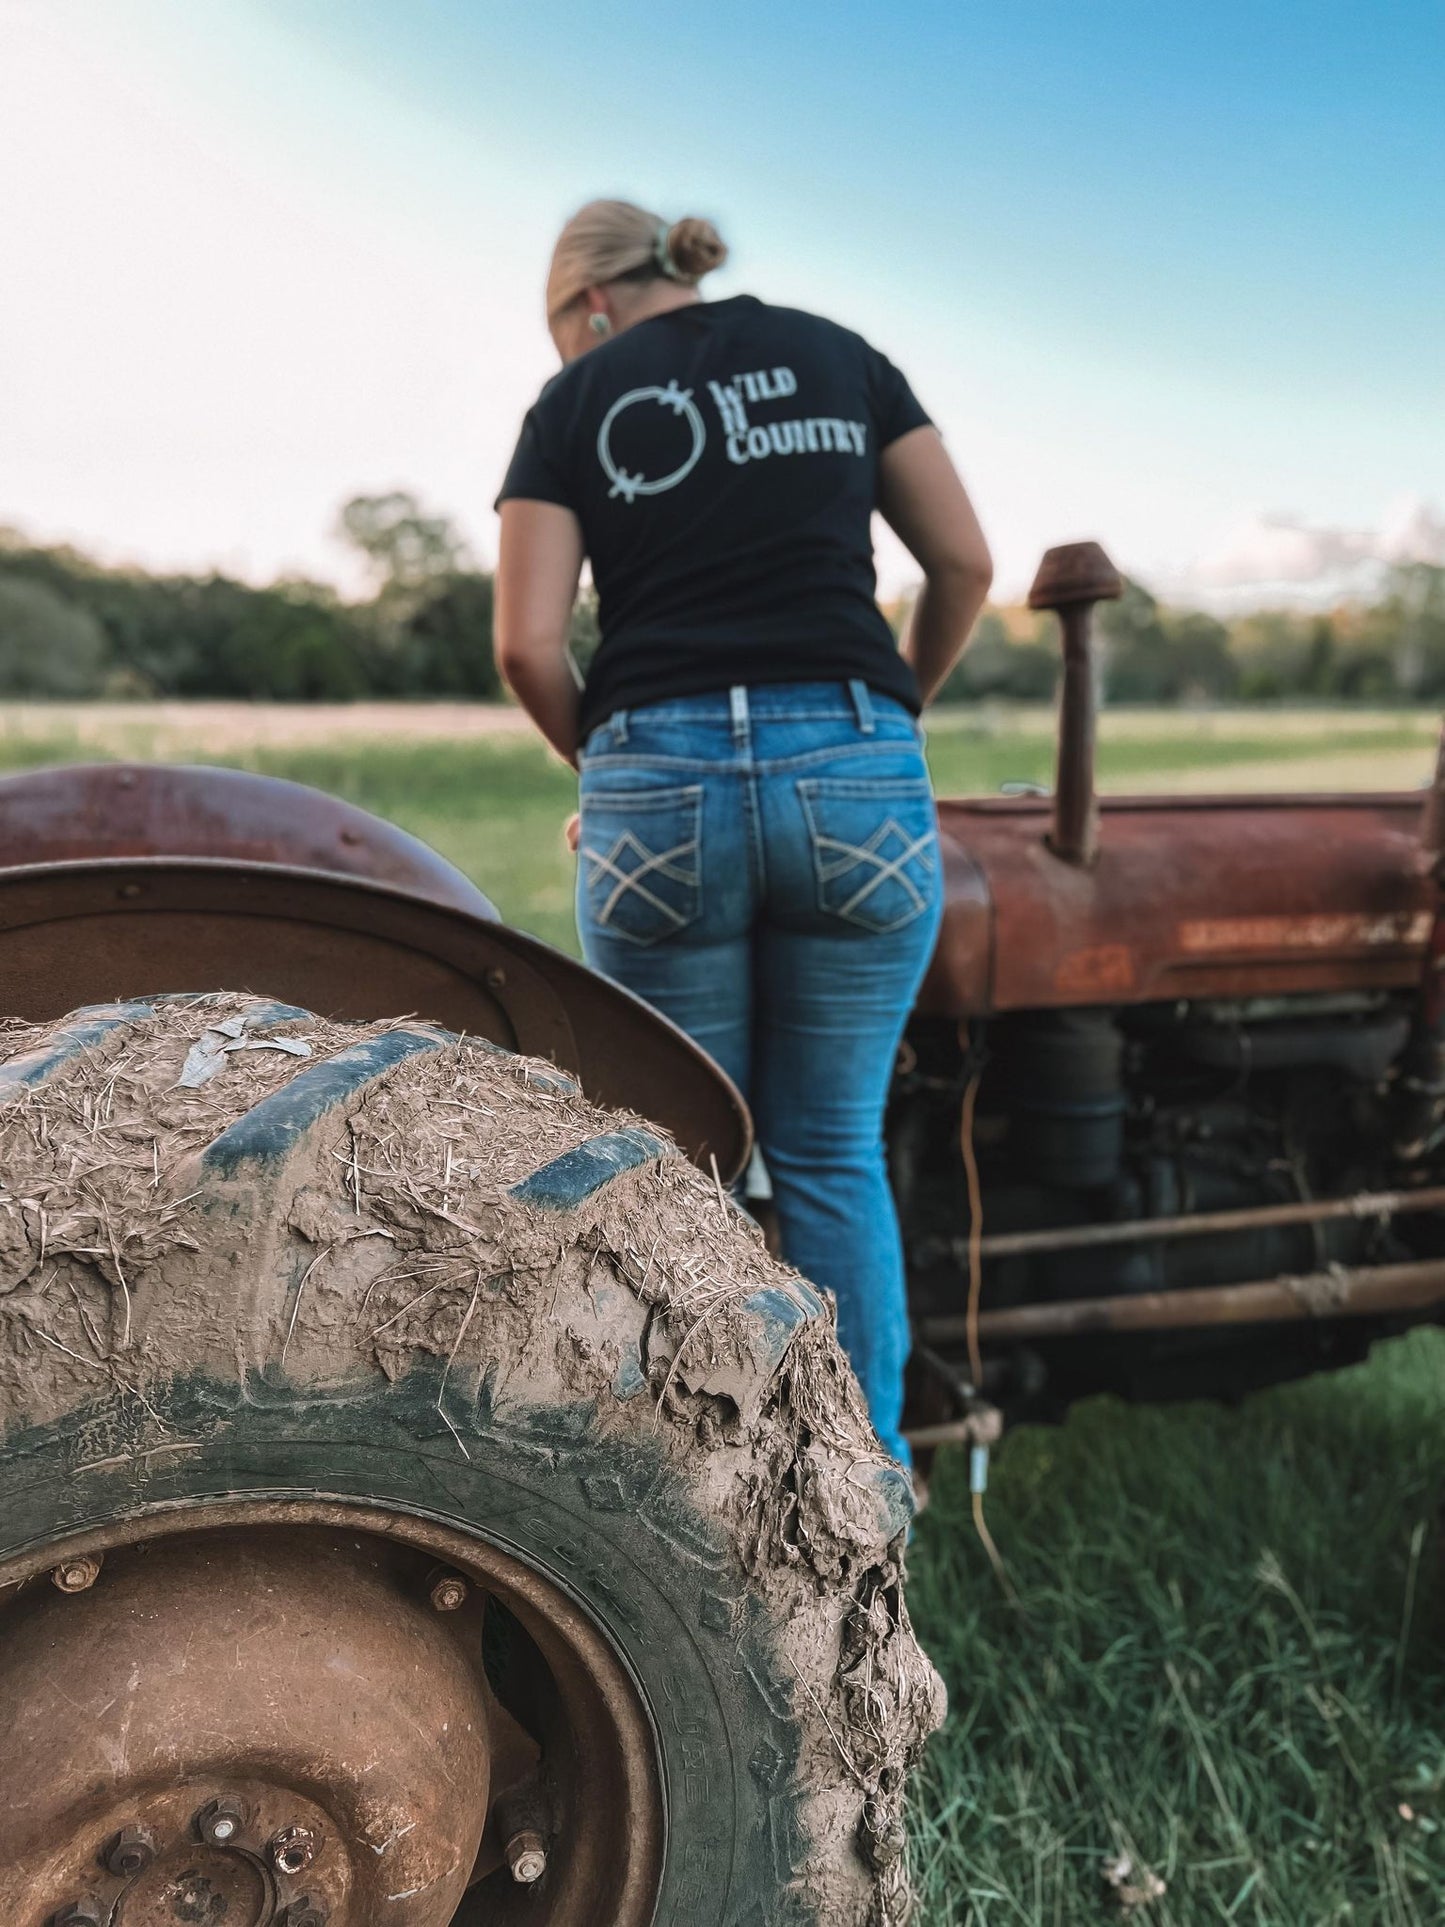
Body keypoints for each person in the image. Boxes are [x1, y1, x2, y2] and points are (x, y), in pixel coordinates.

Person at [495, 198, 991, 1464]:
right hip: (854, 764)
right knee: (831, 1153)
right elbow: (967, 564)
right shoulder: (836, 355)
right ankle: (861, 1492)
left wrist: (609, 765)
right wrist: (885, 719)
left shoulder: (572, 405)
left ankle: (693, 1496)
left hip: (654, 781)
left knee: (679, 1168)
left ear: (589, 305)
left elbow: (525, 642)